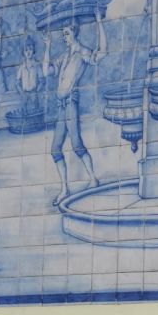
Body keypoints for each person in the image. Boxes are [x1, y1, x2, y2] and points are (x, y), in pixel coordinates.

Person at [47, 16, 103, 205]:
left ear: (74, 32)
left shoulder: (83, 52)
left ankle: (93, 178)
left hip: (71, 102)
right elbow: (46, 71)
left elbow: (102, 53)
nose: (64, 37)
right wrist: (47, 47)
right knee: (55, 148)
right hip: (61, 105)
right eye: (63, 34)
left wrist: (99, 23)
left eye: (66, 33)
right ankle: (64, 188)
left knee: (76, 143)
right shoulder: (64, 56)